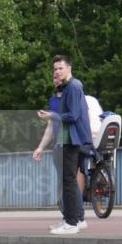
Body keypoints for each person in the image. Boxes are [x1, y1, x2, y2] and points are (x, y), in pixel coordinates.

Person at [33, 74, 98, 231]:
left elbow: (79, 118)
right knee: (67, 182)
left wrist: (86, 138)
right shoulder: (55, 99)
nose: (56, 78)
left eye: (59, 73)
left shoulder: (73, 93)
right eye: (54, 75)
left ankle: (73, 220)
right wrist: (40, 147)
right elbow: (51, 126)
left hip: (71, 142)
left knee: (68, 182)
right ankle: (74, 218)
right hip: (60, 144)